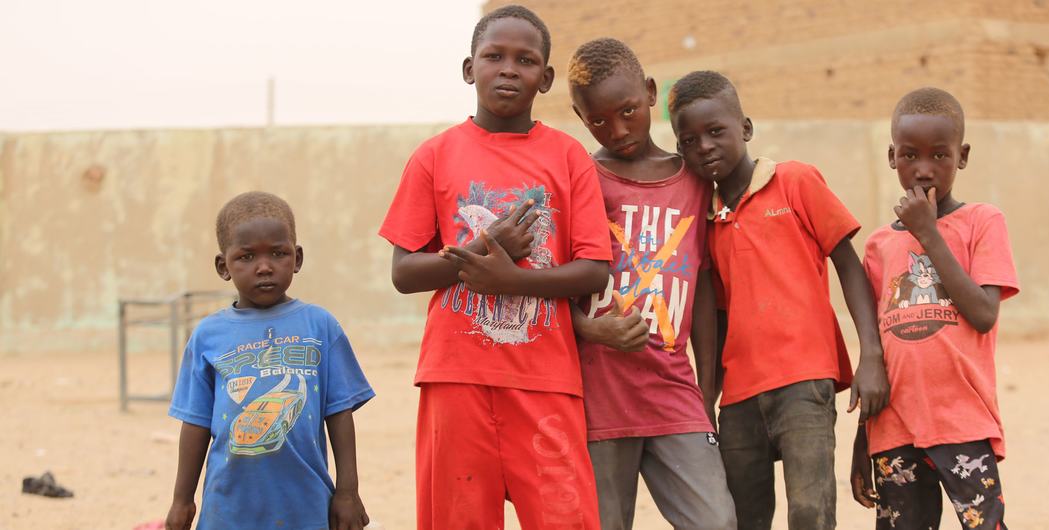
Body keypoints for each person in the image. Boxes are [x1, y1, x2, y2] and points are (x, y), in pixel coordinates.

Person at [379, 5, 611, 529]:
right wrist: (483, 250)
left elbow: (594, 269)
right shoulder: (434, 156)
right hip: (455, 375)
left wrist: (511, 279)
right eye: (494, 56)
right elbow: (403, 272)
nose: (509, 69)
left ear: (546, 78)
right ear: (469, 68)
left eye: (525, 60)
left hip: (545, 378)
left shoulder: (570, 157)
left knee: (564, 517)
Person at [668, 70, 889, 530]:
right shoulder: (703, 222)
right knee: (744, 517)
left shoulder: (794, 182)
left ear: (745, 129)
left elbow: (848, 266)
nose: (704, 146)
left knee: (810, 513)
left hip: (804, 381)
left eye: (715, 132)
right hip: (740, 395)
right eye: (689, 140)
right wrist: (708, 395)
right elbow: (719, 316)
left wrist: (871, 352)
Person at [566, 38, 736, 530]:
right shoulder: (581, 178)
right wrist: (591, 330)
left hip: (673, 391)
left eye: (628, 110)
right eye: (598, 120)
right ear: (580, 118)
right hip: (598, 396)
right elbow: (549, 286)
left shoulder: (694, 179)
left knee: (716, 520)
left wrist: (707, 390)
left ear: (651, 93)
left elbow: (702, 289)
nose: (617, 130)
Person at [849, 87, 1019, 530]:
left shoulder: (983, 222)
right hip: (893, 428)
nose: (924, 170)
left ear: (962, 157)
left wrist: (928, 234)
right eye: (909, 155)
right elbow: (878, 350)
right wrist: (861, 441)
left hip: (961, 421)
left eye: (939, 156)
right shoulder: (879, 246)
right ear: (891, 156)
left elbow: (984, 313)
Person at [166, 191, 375, 530]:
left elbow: (339, 413)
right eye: (246, 257)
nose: (264, 267)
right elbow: (196, 424)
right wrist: (181, 500)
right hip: (228, 509)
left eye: (278, 253)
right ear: (223, 266)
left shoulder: (320, 326)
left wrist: (347, 492)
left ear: (297, 258)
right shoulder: (207, 336)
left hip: (306, 506)